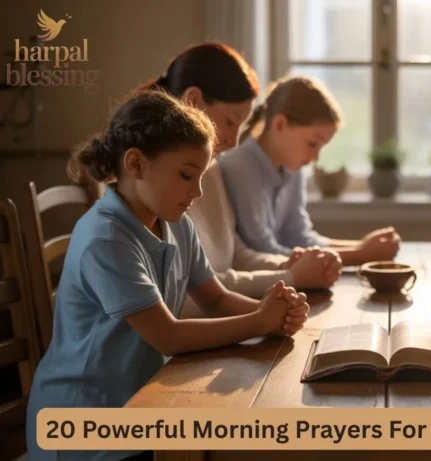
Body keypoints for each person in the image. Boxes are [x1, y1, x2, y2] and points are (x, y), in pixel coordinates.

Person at [25, 91, 310, 461]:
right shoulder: (106, 237)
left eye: (202, 176)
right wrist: (259, 320)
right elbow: (168, 336)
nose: (198, 192)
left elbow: (216, 299)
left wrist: (275, 314)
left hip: (144, 406)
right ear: (136, 164)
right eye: (187, 175)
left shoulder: (177, 224)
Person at [138, 43, 342, 309]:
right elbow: (188, 295)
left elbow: (234, 253)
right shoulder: (153, 182)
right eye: (230, 122)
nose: (234, 142)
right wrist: (289, 276)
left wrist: (286, 265)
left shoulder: (208, 170)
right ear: (193, 102)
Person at [218, 75, 400, 266]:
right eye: (312, 144)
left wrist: (360, 247)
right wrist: (361, 255)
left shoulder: (292, 167)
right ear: (280, 124)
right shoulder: (239, 168)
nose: (315, 158)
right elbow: (262, 249)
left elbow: (299, 237)